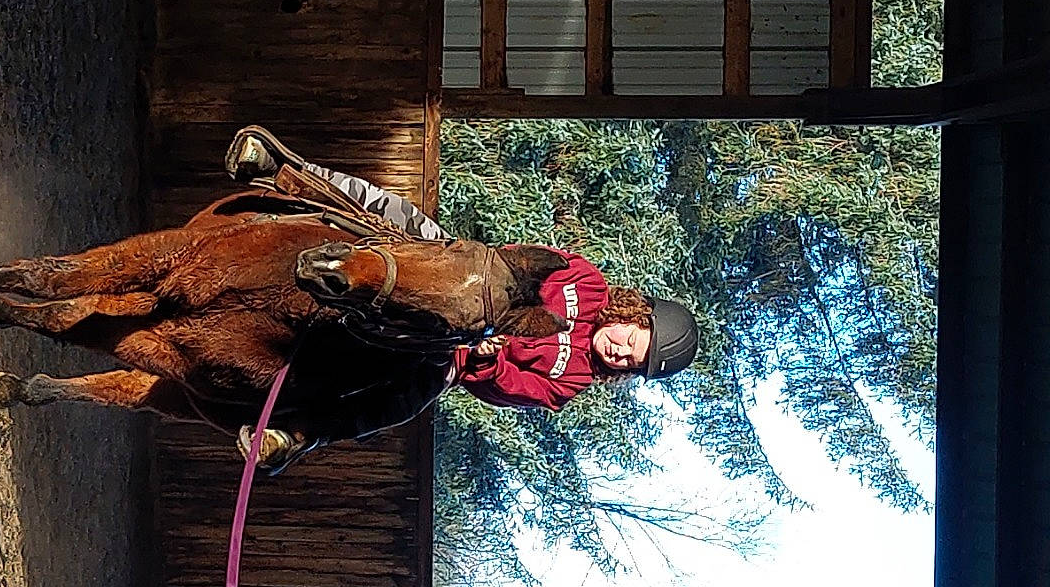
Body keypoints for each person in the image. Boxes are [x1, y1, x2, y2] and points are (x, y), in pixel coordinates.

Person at [224, 126, 699, 470]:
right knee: (404, 221)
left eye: (629, 365)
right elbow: (523, 259)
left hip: (452, 355)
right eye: (631, 344)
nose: (619, 356)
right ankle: (286, 172)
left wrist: (486, 359)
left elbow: (506, 389)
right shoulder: (588, 281)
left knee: (400, 403)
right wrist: (490, 303)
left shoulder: (568, 383)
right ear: (637, 314)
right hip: (473, 288)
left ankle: (298, 435)